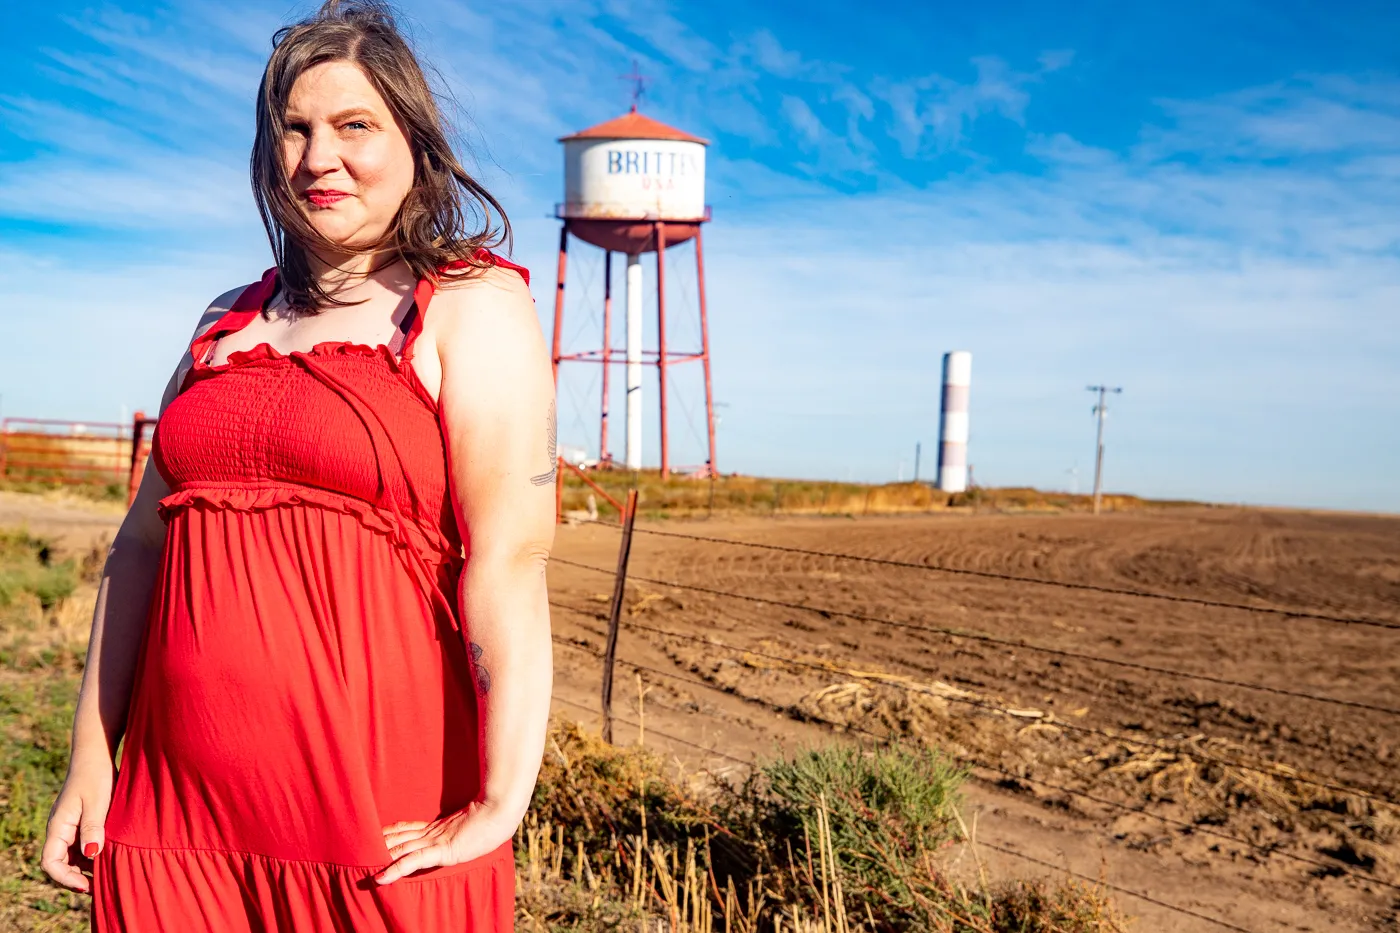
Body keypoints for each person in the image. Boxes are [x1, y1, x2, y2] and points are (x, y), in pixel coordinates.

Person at [40, 1, 555, 929]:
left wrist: (502, 798)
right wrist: (90, 757)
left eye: (356, 126)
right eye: (295, 128)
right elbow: (138, 552)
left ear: (414, 144)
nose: (321, 157)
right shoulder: (222, 323)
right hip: (176, 812)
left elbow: (510, 559)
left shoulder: (471, 306)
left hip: (375, 818)